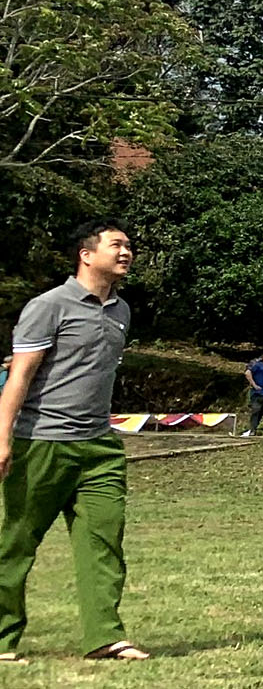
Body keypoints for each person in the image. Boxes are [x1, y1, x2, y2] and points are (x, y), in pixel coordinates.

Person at [0, 219, 146, 663]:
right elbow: (19, 376)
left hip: (99, 446)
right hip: (40, 443)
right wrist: (2, 438)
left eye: (129, 247)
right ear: (86, 254)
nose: (126, 252)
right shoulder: (49, 306)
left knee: (104, 539)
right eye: (117, 245)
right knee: (17, 543)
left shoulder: (120, 310)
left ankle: (105, 636)